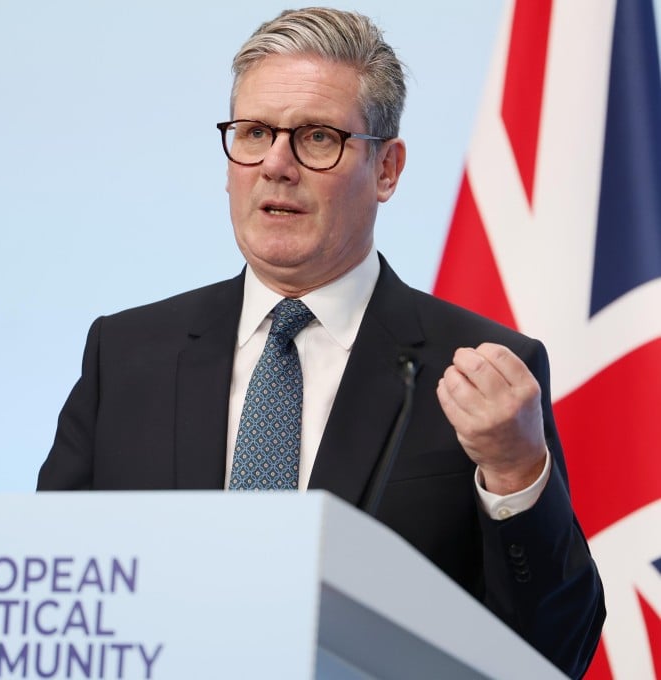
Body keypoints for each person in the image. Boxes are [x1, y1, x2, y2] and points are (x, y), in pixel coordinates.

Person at [37, 7, 604, 677]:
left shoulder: (480, 371)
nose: (276, 164)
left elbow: (552, 651)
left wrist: (514, 475)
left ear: (387, 169)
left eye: (316, 138)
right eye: (253, 134)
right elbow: (53, 600)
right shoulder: (128, 354)